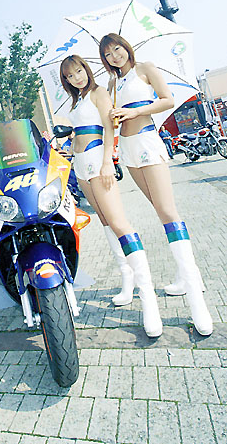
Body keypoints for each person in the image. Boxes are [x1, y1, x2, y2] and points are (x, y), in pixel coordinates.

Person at [99, 33, 212, 336]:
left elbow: (168, 100)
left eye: (117, 49)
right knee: (157, 209)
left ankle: (195, 290)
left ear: (126, 47)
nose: (114, 56)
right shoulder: (112, 84)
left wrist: (135, 111)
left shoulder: (145, 68)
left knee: (167, 211)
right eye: (108, 54)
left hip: (148, 141)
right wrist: (115, 117)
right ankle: (183, 275)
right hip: (127, 148)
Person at [60, 55, 162, 337]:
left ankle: (148, 296)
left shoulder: (99, 93)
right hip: (80, 164)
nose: (77, 77)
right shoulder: (77, 100)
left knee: (119, 223)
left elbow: (109, 128)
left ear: (87, 69)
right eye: (70, 76)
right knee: (105, 221)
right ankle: (127, 279)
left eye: (79, 71)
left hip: (97, 160)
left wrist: (108, 161)